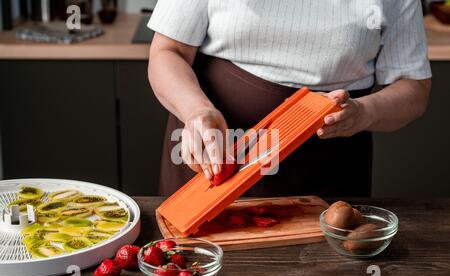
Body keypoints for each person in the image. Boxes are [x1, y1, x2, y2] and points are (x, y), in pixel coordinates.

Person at [147, 0, 431, 197]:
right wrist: (196, 111)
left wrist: (363, 112)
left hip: (326, 177)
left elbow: (413, 87)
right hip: (214, 160)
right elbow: (168, 52)